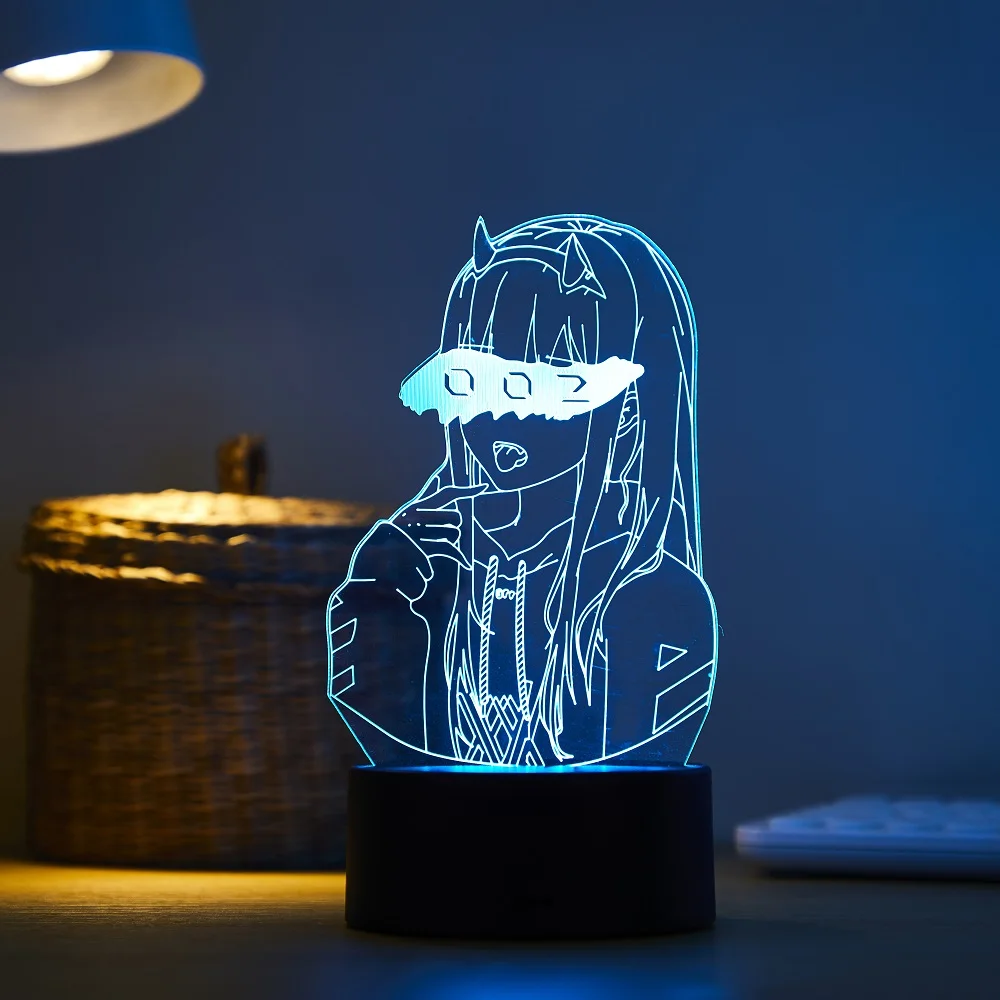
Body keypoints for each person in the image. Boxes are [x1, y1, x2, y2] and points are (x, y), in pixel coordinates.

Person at [328, 214, 718, 767]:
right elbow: (400, 774)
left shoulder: (653, 594)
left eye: (550, 383)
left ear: (631, 405)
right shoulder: (438, 567)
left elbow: (639, 787)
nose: (500, 415)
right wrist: (375, 607)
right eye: (474, 380)